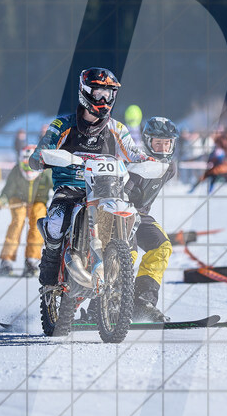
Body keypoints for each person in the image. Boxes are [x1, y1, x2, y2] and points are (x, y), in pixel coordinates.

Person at [34, 67, 150, 294]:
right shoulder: (63, 124)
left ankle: (118, 282)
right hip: (70, 189)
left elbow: (134, 153)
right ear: (85, 92)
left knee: (128, 221)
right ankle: (49, 278)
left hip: (105, 190)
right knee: (57, 224)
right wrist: (42, 156)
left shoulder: (116, 127)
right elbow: (43, 148)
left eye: (109, 94)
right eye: (98, 93)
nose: (104, 99)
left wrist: (152, 161)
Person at [126, 117, 179, 322]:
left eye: (168, 143)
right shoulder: (135, 164)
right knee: (127, 253)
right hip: (119, 214)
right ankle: (105, 304)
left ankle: (142, 302)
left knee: (162, 246)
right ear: (148, 142)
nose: (163, 148)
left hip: (141, 215)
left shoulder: (170, 168)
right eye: (158, 143)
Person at [0, 144, 53, 278]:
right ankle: (6, 261)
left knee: (37, 224)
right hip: (18, 199)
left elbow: (57, 186)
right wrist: (0, 202)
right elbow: (7, 191)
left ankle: (31, 260)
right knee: (17, 222)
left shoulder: (46, 172)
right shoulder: (16, 171)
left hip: (38, 201)